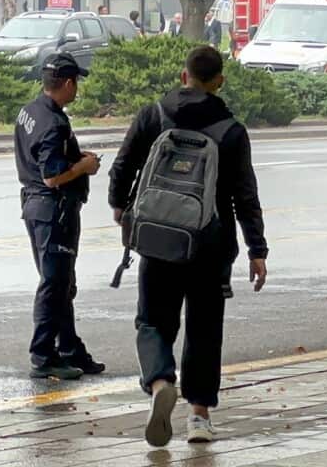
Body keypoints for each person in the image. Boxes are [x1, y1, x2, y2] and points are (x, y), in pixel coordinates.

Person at [109, 45, 269, 447]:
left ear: (184, 76)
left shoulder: (155, 113)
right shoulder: (231, 130)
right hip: (210, 245)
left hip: (159, 236)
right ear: (219, 81)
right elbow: (243, 195)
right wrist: (257, 249)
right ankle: (199, 416)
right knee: (204, 327)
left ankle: (161, 380)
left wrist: (120, 208)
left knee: (152, 320)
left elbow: (123, 164)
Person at [13, 52, 107, 380]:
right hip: (54, 211)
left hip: (35, 207)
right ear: (67, 83)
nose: (77, 88)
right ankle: (43, 355)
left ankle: (69, 348)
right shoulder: (53, 122)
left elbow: (41, 157)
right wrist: (83, 167)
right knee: (54, 284)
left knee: (63, 283)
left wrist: (74, 156)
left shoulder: (31, 111)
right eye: (76, 82)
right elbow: (52, 175)